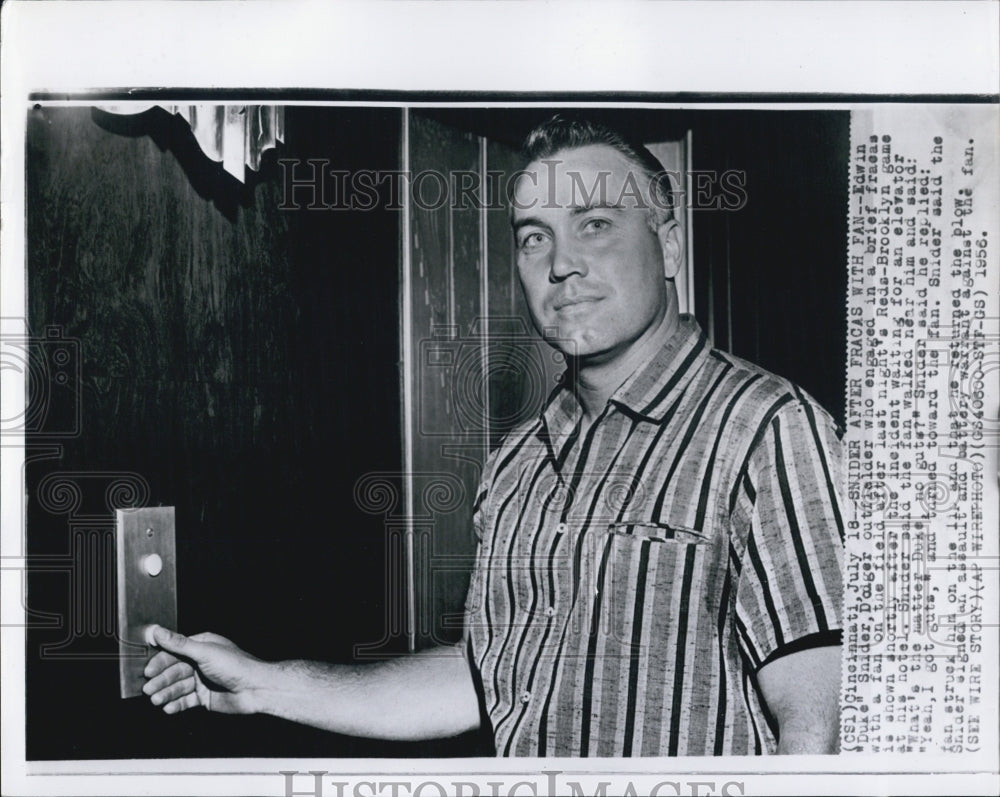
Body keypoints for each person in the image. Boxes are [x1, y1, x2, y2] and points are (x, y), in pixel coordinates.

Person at [143, 115, 845, 756]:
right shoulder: (517, 465)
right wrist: (266, 683)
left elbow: (819, 731)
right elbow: (484, 678)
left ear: (669, 244)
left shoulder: (769, 430)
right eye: (535, 235)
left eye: (595, 223)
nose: (561, 262)